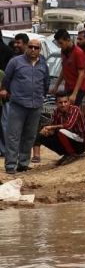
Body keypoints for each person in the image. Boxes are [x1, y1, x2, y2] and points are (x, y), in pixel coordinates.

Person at [0, 38, 48, 173]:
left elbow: (46, 82)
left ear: (40, 50)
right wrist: (7, 91)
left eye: (36, 48)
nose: (33, 50)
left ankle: (23, 164)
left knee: (30, 136)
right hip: (18, 105)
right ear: (27, 47)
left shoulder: (43, 64)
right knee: (13, 135)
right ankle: (10, 165)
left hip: (36, 106)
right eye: (31, 47)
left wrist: (41, 96)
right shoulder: (15, 62)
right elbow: (7, 79)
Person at [37, 91, 85, 166]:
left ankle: (72, 154)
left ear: (69, 102)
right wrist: (46, 131)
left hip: (80, 142)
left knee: (61, 131)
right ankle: (67, 154)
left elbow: (68, 125)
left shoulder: (75, 109)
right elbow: (53, 128)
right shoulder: (56, 111)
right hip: (67, 138)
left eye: (65, 102)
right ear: (56, 103)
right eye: (60, 103)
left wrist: (51, 127)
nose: (63, 105)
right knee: (42, 136)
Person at [50, 28, 85, 104]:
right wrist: (56, 85)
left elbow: (81, 74)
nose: (59, 46)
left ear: (68, 40)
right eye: (58, 43)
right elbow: (64, 69)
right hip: (68, 87)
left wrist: (74, 94)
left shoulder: (78, 52)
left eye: (61, 43)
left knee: (73, 111)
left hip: (78, 89)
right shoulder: (63, 51)